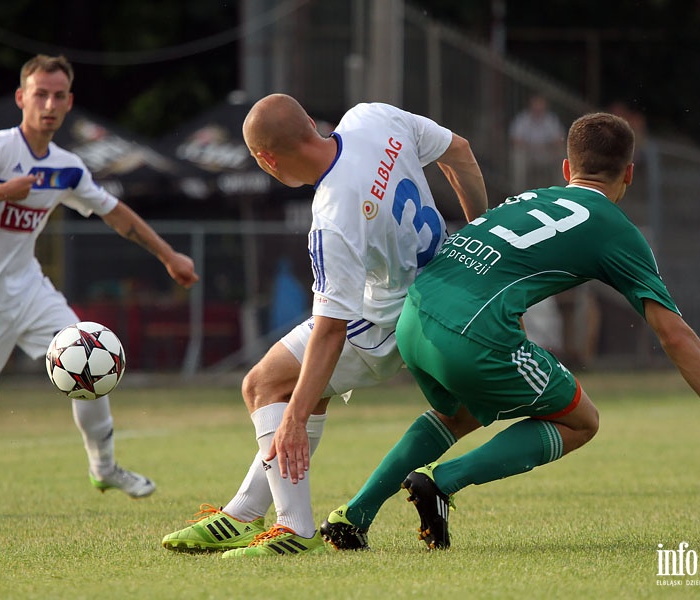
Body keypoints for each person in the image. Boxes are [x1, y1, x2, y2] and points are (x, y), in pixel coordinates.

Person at [321, 112, 700, 552]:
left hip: (413, 319)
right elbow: (675, 335)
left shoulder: (529, 198)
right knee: (581, 420)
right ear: (629, 174)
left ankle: (353, 515)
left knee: (464, 411)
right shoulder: (614, 229)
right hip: (471, 335)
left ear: (567, 169)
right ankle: (443, 481)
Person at [161, 93, 487, 557]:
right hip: (438, 287)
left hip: (386, 324)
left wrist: (293, 415)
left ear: (266, 160)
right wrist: (479, 236)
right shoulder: (373, 118)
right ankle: (241, 514)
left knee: (266, 386)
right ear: (311, 123)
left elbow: (332, 330)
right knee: (297, 388)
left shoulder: (332, 215)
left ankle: (294, 527)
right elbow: (461, 153)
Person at [0, 54, 199, 507]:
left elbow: (113, 211)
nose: (49, 104)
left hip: (29, 289)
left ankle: (105, 468)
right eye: (40, 94)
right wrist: (1, 191)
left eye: (58, 96)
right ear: (21, 98)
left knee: (90, 359)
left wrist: (169, 255)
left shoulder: (66, 166)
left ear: (69, 102)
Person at [509, 94, 565, 191]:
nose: (538, 107)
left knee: (563, 155)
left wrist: (549, 148)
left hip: (547, 153)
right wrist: (531, 148)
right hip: (528, 153)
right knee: (518, 156)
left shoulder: (551, 119)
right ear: (531, 105)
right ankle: (518, 191)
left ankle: (561, 190)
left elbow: (559, 139)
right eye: (536, 104)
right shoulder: (522, 119)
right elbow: (515, 139)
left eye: (540, 105)